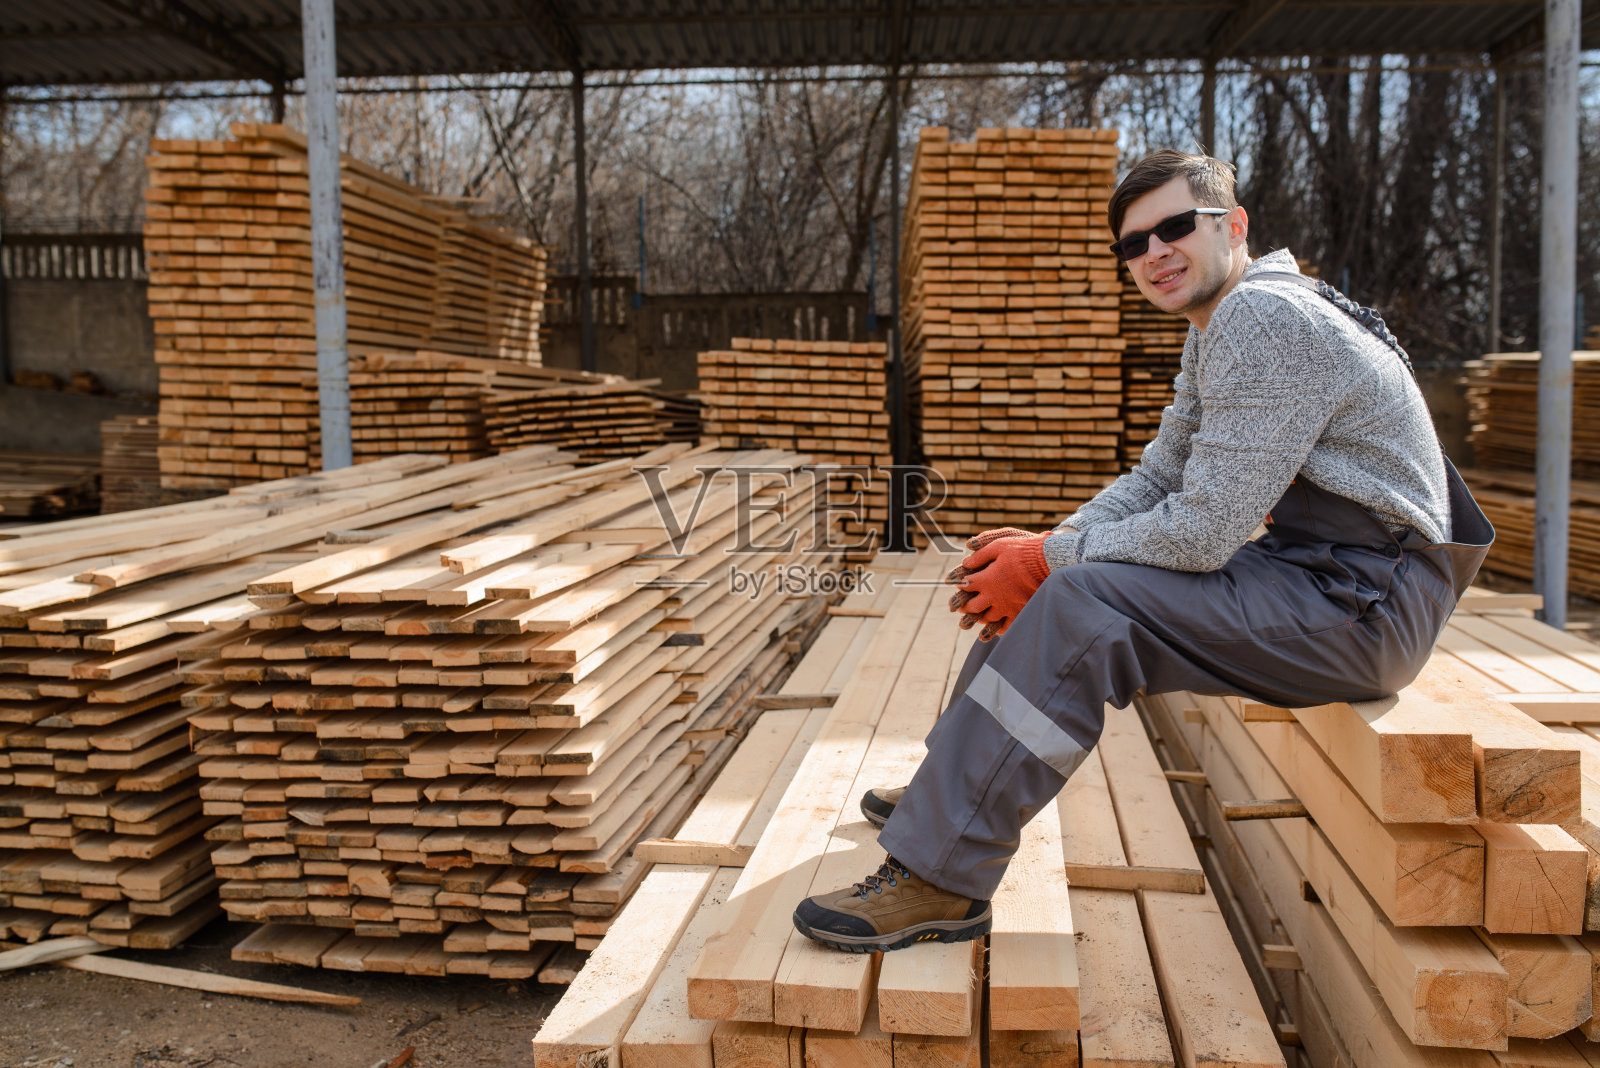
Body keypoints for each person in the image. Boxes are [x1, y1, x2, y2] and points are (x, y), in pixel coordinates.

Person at [791, 147, 1493, 953]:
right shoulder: (1227, 322)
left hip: (1363, 604)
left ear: (1233, 226)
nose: (1154, 254)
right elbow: (1160, 477)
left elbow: (1201, 531)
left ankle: (941, 875)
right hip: (1326, 579)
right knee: (1064, 583)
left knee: (1081, 601)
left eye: (1174, 229)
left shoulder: (1266, 320)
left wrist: (1054, 563)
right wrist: (1050, 546)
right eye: (1133, 243)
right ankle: (952, 786)